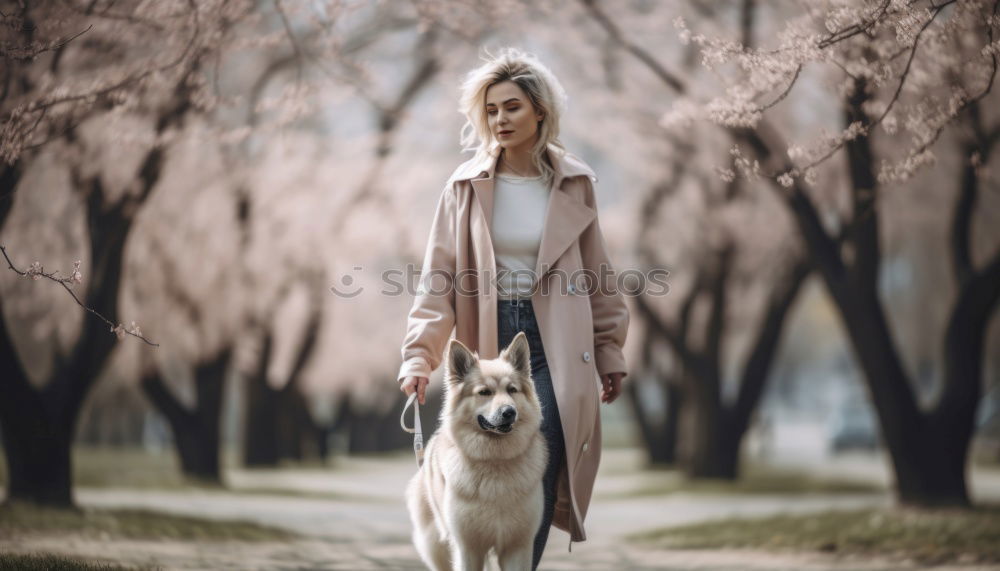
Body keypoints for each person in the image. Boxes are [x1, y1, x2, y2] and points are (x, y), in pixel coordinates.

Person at [398, 47, 629, 569]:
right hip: (487, 335)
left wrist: (609, 351)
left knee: (544, 445)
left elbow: (599, 275)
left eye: (512, 107)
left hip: (558, 341)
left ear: (540, 111)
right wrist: (419, 358)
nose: (500, 119)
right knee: (493, 449)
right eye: (492, 109)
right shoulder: (464, 186)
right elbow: (438, 281)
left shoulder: (574, 183)